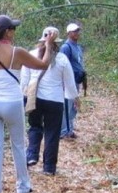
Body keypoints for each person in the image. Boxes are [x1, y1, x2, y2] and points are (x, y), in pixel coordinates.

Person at [0, 15, 57, 193]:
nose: (14, 31)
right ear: (7, 32)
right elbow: (43, 64)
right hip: (12, 102)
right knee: (18, 145)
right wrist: (48, 45)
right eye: (13, 28)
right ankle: (23, 187)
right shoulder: (17, 52)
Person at [20, 27, 79, 175]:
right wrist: (74, 97)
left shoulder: (31, 55)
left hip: (35, 98)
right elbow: (69, 82)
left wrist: (23, 96)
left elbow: (24, 80)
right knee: (52, 132)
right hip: (55, 100)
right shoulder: (62, 59)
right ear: (57, 42)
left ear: (42, 40)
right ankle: (49, 167)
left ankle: (32, 155)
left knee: (35, 126)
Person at [60, 22, 86, 139]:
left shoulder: (78, 47)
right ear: (69, 33)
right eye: (74, 31)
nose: (77, 33)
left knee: (73, 107)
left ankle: (70, 129)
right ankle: (64, 131)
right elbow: (62, 64)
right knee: (67, 106)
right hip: (68, 82)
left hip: (77, 80)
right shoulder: (66, 47)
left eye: (77, 31)